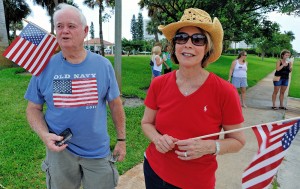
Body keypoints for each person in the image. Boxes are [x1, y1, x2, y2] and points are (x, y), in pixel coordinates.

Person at [141, 8, 246, 189]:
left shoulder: (225, 91)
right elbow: (146, 123)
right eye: (181, 38)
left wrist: (209, 147)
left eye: (197, 39)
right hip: (154, 170)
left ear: (207, 48)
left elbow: (238, 141)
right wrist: (157, 139)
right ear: (174, 45)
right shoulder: (159, 84)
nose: (188, 44)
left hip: (196, 182)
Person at [24, 4, 126, 189]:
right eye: (59, 26)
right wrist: (44, 135)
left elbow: (115, 104)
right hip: (60, 152)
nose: (64, 31)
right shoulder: (44, 67)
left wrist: (121, 140)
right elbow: (33, 108)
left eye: (71, 26)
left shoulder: (103, 66)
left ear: (85, 30)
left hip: (97, 151)